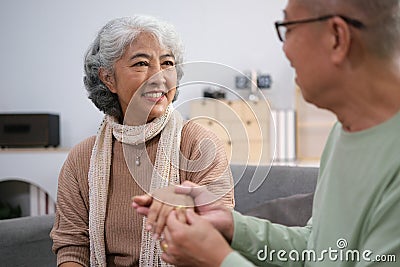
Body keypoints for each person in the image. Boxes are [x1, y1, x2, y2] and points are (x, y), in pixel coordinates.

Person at [133, 0, 400, 266]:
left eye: (289, 28)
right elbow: (318, 249)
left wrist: (216, 259)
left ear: (336, 38)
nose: (284, 48)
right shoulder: (343, 132)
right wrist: (232, 226)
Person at [50, 15, 234, 267]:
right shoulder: (82, 158)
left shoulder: (199, 144)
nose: (159, 76)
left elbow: (222, 237)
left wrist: (186, 210)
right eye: (141, 63)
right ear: (108, 79)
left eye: (167, 63)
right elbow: (72, 247)